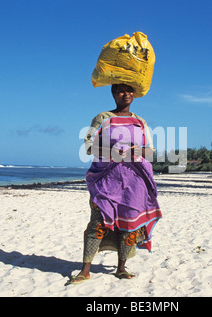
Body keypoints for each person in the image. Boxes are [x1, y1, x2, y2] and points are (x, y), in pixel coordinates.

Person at [68, 84, 162, 284]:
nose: (126, 94)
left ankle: (121, 267)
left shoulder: (140, 121)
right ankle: (85, 270)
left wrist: (138, 150)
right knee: (97, 222)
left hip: (135, 182)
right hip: (106, 180)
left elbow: (151, 152)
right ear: (113, 94)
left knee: (129, 225)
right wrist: (111, 152)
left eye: (129, 90)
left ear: (134, 94)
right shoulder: (102, 118)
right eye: (120, 90)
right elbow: (87, 146)